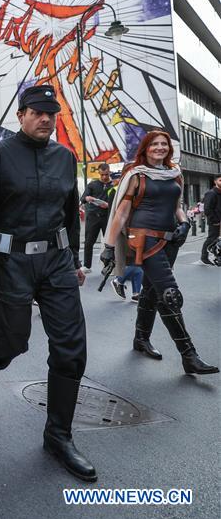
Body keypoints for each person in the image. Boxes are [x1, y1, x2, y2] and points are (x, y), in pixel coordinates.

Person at [0, 85, 95, 482]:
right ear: (21, 115)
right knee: (15, 339)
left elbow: (70, 214)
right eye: (37, 112)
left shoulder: (64, 158)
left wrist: (74, 259)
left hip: (56, 263)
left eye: (50, 114)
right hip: (10, 264)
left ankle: (58, 435)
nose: (45, 119)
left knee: (72, 349)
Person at [102, 132, 217, 374]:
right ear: (146, 147)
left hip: (171, 240)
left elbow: (177, 207)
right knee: (169, 294)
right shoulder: (136, 175)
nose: (160, 147)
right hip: (145, 240)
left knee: (152, 291)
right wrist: (109, 247)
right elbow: (121, 214)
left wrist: (185, 223)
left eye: (164, 144)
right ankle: (189, 355)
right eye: (155, 144)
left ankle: (140, 339)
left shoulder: (175, 173)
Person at [80, 163, 113, 272]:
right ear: (99, 173)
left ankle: (110, 266)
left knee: (110, 243)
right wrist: (88, 198)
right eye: (102, 174)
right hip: (93, 217)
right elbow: (83, 198)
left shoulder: (114, 185)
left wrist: (108, 205)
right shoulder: (92, 184)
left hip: (107, 217)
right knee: (89, 241)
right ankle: (87, 266)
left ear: (110, 172)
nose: (104, 177)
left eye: (106, 174)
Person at [200, 174, 221, 265]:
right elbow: (207, 209)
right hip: (215, 222)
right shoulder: (211, 193)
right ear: (215, 181)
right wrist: (215, 221)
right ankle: (204, 257)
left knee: (217, 240)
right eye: (220, 180)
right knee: (212, 239)